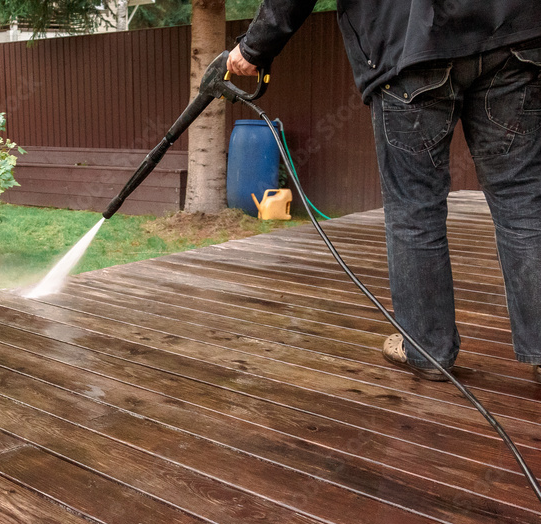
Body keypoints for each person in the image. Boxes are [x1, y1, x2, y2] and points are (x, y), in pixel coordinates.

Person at [228, 2, 541, 384]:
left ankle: (428, 350)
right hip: (511, 37)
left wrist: (253, 48)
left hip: (409, 46)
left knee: (414, 209)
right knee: (522, 198)